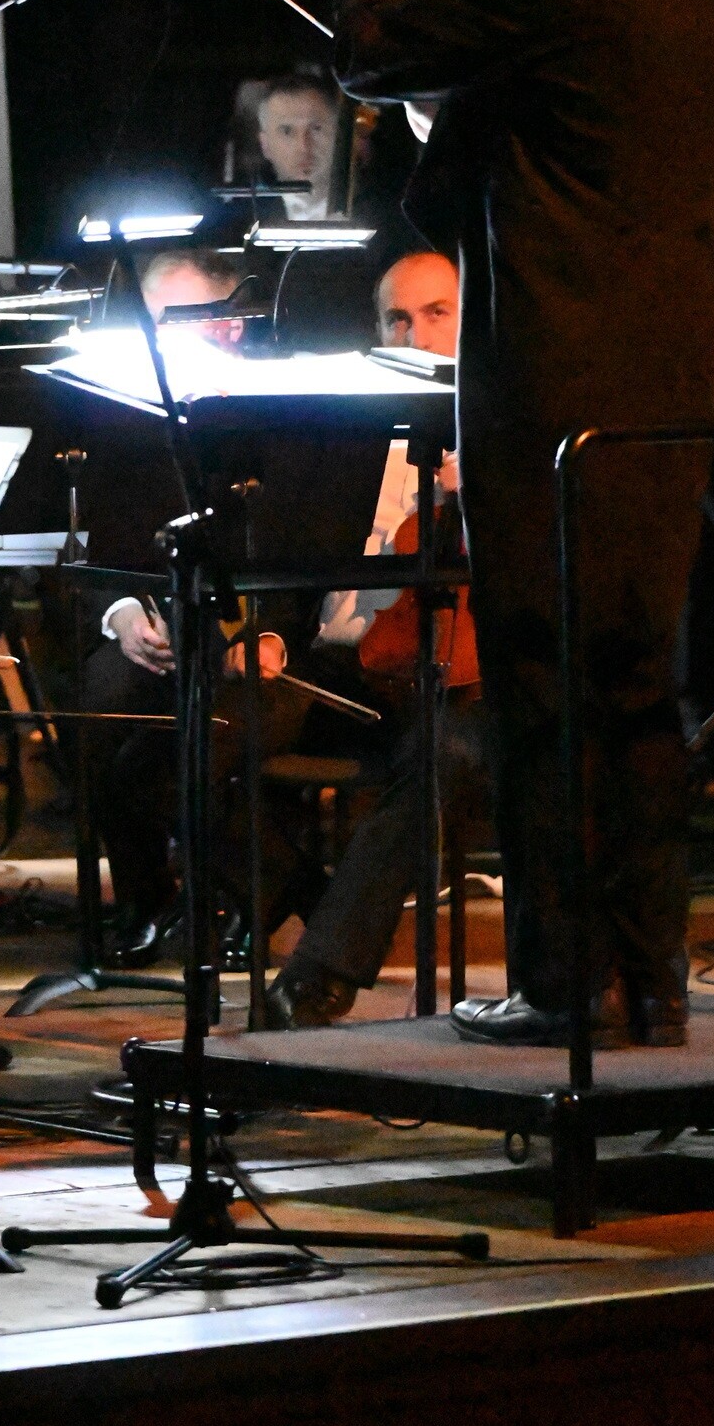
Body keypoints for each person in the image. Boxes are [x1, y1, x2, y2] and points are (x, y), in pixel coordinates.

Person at [341, 0, 714, 1048]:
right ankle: (651, 977)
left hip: (546, 363)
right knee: (638, 674)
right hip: (673, 357)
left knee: (539, 673)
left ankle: (559, 982)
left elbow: (368, 50)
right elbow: (574, 123)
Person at [266, 250, 483, 1027]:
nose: (415, 335)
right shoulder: (343, 431)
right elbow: (285, 546)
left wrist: (477, 500)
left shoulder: (502, 432)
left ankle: (319, 975)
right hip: (333, 667)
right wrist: (267, 632)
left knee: (446, 758)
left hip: (451, 675)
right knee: (199, 736)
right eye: (398, 319)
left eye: (436, 314)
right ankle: (325, 902)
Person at [85, 248, 317, 964]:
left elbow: (310, 548)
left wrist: (270, 635)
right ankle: (148, 898)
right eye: (151, 322)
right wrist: (125, 615)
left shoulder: (285, 417)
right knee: (100, 705)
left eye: (175, 319)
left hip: (257, 641)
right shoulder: (127, 419)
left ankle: (263, 890)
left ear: (230, 327)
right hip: (160, 628)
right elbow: (100, 545)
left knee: (195, 741)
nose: (156, 338)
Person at [256, 74, 340, 221]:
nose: (303, 146)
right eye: (287, 131)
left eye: (316, 128)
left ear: (339, 135)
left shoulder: (380, 212)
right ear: (265, 145)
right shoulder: (242, 221)